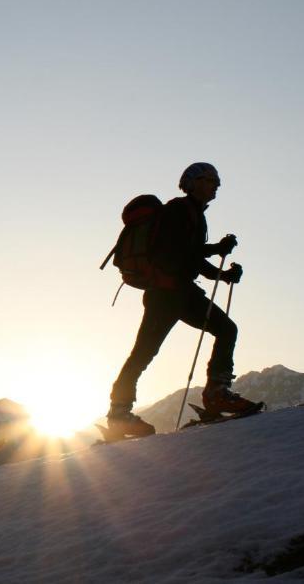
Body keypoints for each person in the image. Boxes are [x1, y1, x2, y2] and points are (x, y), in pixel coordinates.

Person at [107, 162, 257, 437]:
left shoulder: (193, 213)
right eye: (211, 179)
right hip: (166, 295)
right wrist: (216, 251)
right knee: (145, 352)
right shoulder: (179, 209)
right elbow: (176, 250)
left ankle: (215, 393)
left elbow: (190, 257)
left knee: (223, 330)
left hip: (178, 292)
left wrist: (222, 275)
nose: (216, 185)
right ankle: (120, 413)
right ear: (193, 182)